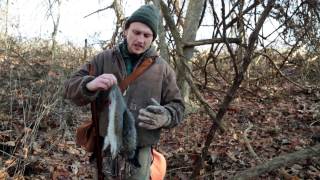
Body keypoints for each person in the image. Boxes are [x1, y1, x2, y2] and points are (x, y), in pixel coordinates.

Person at [64, 4, 185, 179]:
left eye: (147, 35)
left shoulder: (163, 69)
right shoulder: (102, 59)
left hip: (140, 149)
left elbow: (178, 107)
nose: (141, 40)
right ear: (125, 30)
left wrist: (165, 116)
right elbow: (69, 87)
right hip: (105, 145)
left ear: (153, 38)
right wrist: (89, 84)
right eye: (136, 32)